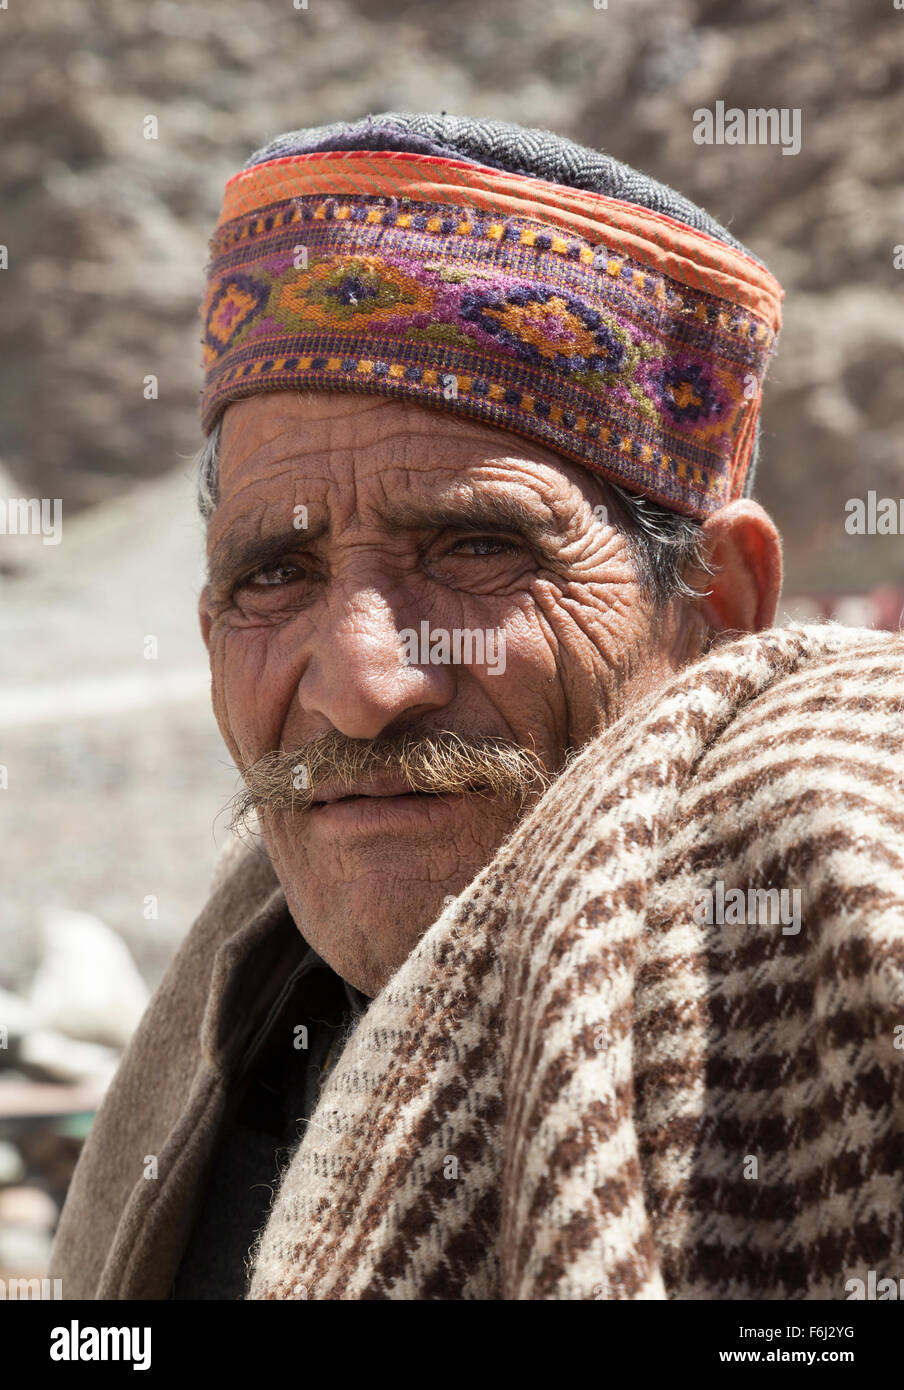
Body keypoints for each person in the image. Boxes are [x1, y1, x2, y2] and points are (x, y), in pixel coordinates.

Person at [50, 112, 904, 1301]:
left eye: (472, 546)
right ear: (209, 630)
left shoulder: (833, 953)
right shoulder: (228, 1038)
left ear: (717, 601)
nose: (358, 690)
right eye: (275, 574)